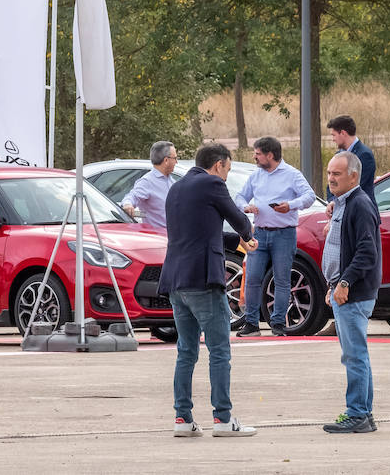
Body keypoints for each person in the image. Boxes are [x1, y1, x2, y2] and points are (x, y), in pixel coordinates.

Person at [158, 142, 260, 437]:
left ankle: (183, 420)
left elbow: (201, 231)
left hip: (176, 281)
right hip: (203, 280)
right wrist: (247, 233)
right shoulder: (213, 183)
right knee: (219, 350)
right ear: (218, 165)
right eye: (227, 169)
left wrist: (239, 242)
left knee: (186, 351)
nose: (226, 176)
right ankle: (223, 419)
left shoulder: (177, 187)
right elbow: (238, 219)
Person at [321, 149, 382, 435]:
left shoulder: (360, 204)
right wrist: (333, 284)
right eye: (330, 173)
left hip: (354, 293)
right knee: (356, 354)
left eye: (337, 174)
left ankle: (357, 413)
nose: (330, 179)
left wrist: (344, 284)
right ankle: (363, 414)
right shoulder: (343, 203)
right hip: (343, 290)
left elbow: (367, 253)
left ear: (353, 176)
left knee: (355, 355)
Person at [234, 136, 316, 336]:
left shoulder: (292, 174)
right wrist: (246, 207)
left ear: (270, 155)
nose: (254, 157)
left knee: (281, 279)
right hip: (260, 232)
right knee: (252, 277)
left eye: (258, 153)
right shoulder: (256, 175)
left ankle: (278, 323)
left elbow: (309, 196)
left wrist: (291, 205)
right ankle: (251, 324)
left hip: (284, 234)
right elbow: (239, 196)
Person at [121, 141, 180, 230]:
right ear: (166, 160)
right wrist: (127, 204)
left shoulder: (171, 181)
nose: (176, 162)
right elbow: (132, 196)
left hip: (175, 237)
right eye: (175, 158)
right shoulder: (147, 182)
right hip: (158, 238)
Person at [325, 115, 377, 211]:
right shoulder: (338, 155)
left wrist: (335, 202)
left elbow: (356, 187)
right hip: (341, 212)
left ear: (343, 133)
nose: (333, 139)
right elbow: (330, 185)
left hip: (361, 213)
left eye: (334, 135)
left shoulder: (365, 155)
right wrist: (332, 202)